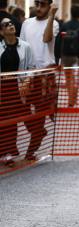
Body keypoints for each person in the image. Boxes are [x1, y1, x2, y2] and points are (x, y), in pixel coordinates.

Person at [20, 0, 59, 161]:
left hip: (44, 74)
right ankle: (38, 132)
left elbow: (46, 38)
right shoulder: (26, 23)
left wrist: (51, 17)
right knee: (21, 108)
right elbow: (21, 46)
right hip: (28, 72)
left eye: (42, 4)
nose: (38, 8)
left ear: (49, 6)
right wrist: (22, 74)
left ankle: (31, 149)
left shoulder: (54, 23)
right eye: (37, 4)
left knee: (40, 113)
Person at [0, 17, 35, 166]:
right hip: (2, 88)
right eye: (6, 25)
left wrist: (27, 80)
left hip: (16, 89)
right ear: (1, 31)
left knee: (12, 122)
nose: (10, 25)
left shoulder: (25, 46)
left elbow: (32, 67)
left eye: (11, 23)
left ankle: (8, 153)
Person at [60, 5, 79, 106]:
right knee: (76, 79)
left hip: (65, 55)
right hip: (77, 56)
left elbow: (60, 39)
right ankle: (73, 99)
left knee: (68, 78)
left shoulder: (65, 25)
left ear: (70, 12)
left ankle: (70, 99)